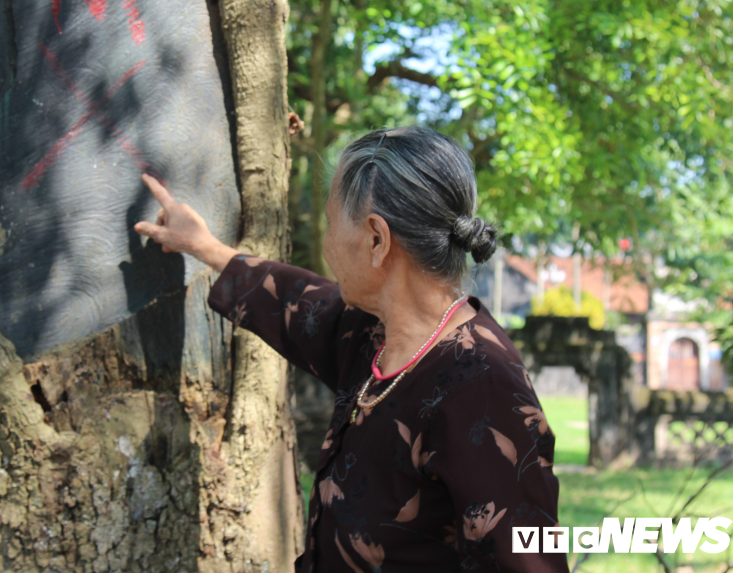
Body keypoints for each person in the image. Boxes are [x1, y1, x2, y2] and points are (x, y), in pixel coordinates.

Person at [134, 127, 568, 573]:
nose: (326, 245)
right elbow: (297, 299)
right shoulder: (371, 334)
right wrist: (205, 248)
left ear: (376, 239)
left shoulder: (483, 387)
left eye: (329, 221)